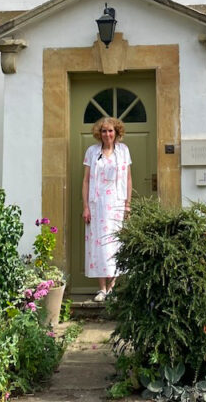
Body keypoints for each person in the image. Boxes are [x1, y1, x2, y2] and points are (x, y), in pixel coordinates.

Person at [82, 116, 132, 301]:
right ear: (99, 133)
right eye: (104, 131)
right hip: (97, 205)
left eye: (110, 130)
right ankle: (102, 289)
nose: (107, 134)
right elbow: (86, 180)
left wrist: (128, 204)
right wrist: (85, 206)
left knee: (116, 244)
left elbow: (128, 179)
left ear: (116, 132)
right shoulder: (92, 152)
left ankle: (113, 288)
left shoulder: (123, 151)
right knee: (99, 244)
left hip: (117, 204)